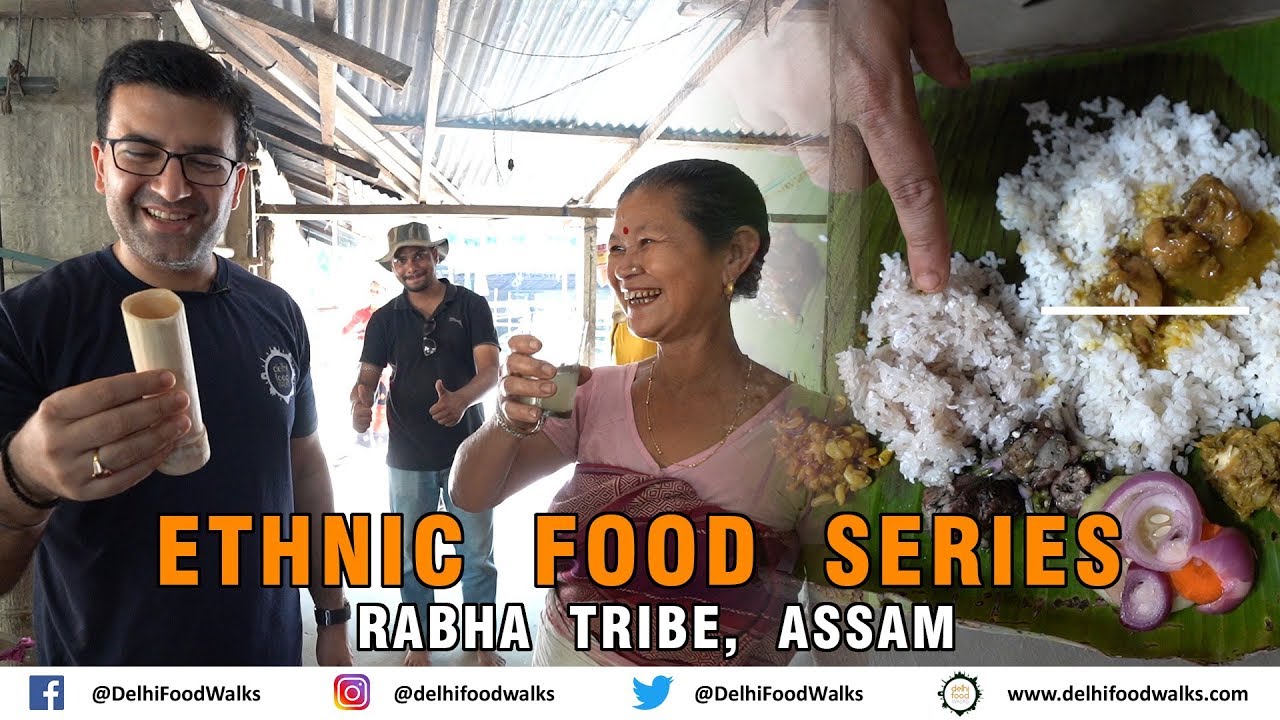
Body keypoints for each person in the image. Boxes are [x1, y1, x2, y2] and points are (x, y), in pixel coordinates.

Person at [0, 40, 352, 665]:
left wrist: (330, 615)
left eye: (205, 161)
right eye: (141, 151)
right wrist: (24, 481)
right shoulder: (29, 322)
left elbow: (304, 470)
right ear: (101, 164)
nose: (171, 185)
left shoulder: (276, 312)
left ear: (237, 183)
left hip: (263, 665)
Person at [450, 159, 839, 666]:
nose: (622, 266)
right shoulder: (591, 394)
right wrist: (507, 419)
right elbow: (470, 493)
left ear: (735, 254)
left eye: (647, 242)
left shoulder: (812, 431)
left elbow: (838, 605)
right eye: (616, 247)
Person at [349, 222, 503, 667]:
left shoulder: (471, 305)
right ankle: (419, 640)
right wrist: (359, 404)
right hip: (407, 454)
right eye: (400, 258)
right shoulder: (384, 319)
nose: (410, 265)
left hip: (470, 450)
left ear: (437, 256)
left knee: (476, 554)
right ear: (393, 266)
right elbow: (367, 376)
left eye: (419, 255)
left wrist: (460, 400)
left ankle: (480, 641)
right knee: (414, 556)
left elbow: (490, 371)